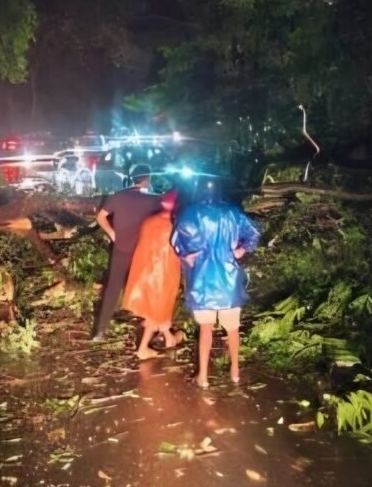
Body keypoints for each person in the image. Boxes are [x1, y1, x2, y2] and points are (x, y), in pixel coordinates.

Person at [172, 179, 261, 388]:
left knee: (205, 330)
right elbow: (254, 233)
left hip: (203, 280)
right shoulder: (232, 212)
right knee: (232, 330)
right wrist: (241, 250)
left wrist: (187, 255)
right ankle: (235, 372)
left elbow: (176, 240)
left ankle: (203, 376)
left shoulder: (192, 212)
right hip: (229, 280)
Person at [92, 164, 161, 340]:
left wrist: (113, 233)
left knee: (113, 288)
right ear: (148, 178)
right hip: (141, 250)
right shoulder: (153, 200)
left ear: (131, 178)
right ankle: (150, 330)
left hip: (121, 248)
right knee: (147, 288)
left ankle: (100, 331)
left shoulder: (118, 196)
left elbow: (100, 217)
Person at [122, 189, 184, 359]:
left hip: (144, 272)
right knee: (156, 311)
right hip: (164, 274)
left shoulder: (149, 221)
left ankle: (167, 336)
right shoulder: (175, 226)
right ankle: (149, 346)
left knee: (152, 311)